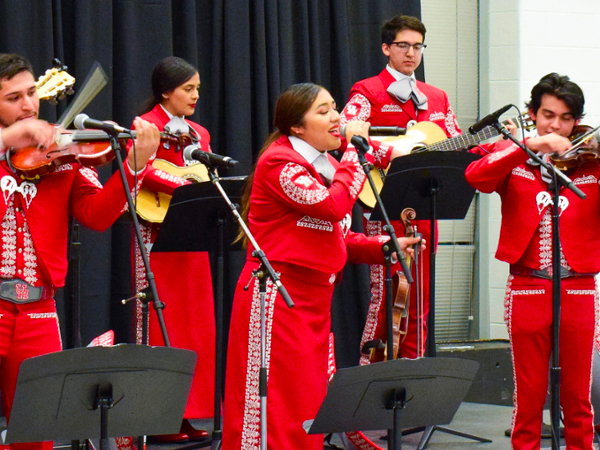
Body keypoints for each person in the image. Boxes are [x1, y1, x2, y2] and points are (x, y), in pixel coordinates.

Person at [221, 83, 423, 450]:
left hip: (313, 298)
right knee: (275, 401)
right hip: (277, 297)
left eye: (335, 108)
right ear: (297, 127)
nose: (337, 118)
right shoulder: (280, 163)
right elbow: (332, 208)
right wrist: (354, 157)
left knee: (305, 399)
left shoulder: (325, 165)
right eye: (324, 111)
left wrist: (383, 246)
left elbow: (330, 236)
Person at [0, 53, 159, 450]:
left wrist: (135, 167)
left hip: (37, 308)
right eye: (13, 98)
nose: (29, 106)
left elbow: (97, 216)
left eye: (32, 93)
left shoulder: (62, 150)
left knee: (36, 430)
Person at [465, 73, 597, 449]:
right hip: (526, 286)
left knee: (577, 398)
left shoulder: (591, 164)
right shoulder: (514, 159)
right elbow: (476, 175)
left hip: (579, 287)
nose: (557, 125)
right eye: (548, 115)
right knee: (529, 397)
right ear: (532, 114)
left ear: (577, 122)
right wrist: (530, 144)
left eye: (566, 118)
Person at [340, 15, 462, 361]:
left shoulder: (435, 96)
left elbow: (455, 141)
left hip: (425, 207)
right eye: (403, 45)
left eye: (417, 46)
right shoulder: (368, 90)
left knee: (419, 303)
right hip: (384, 203)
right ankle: (370, 374)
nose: (411, 53)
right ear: (386, 48)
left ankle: (413, 384)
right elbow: (345, 133)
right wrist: (392, 151)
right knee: (387, 298)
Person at [130, 56, 215, 442]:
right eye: (188, 88)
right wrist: (181, 183)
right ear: (166, 91)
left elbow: (204, 175)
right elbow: (140, 169)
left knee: (195, 324)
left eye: (197, 88)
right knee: (160, 320)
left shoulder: (199, 133)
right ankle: (157, 415)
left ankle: (187, 411)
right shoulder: (143, 127)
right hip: (155, 235)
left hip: (191, 234)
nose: (196, 95)